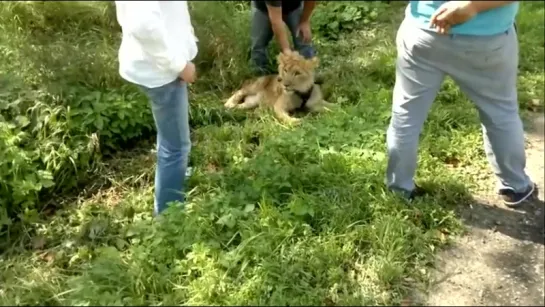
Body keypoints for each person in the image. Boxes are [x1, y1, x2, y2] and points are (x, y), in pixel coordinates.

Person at [386, 1, 538, 207]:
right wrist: (473, 6)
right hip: (487, 39)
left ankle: (399, 188)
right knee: (500, 112)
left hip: (423, 31)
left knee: (406, 114)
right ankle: (515, 185)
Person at [114, 1, 198, 215]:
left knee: (170, 137)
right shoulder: (168, 67)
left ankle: (174, 175)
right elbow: (143, 24)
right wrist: (179, 65)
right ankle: (169, 216)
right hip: (162, 72)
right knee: (177, 148)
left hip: (152, 65)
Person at [250, 0, 317, 75]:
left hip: (293, 7)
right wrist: (286, 49)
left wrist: (304, 21)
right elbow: (276, 21)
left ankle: (308, 73)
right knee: (258, 45)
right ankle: (259, 75)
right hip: (263, 9)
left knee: (303, 40)